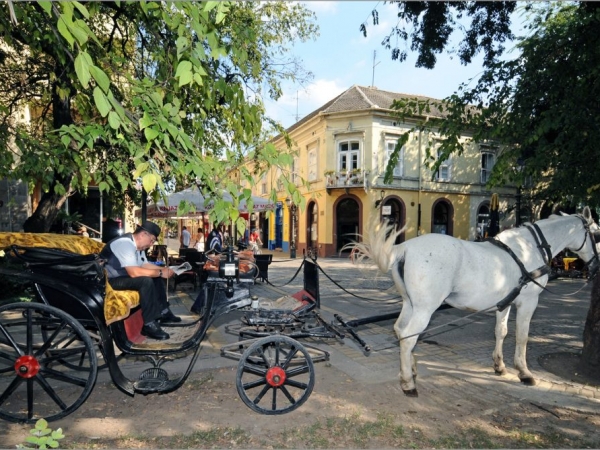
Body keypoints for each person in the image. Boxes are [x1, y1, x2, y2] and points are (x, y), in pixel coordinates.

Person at [100, 220, 181, 340]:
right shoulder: (125, 243)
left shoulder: (137, 248)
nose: (151, 244)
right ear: (143, 234)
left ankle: (164, 312)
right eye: (152, 240)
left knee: (156, 276)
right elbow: (134, 272)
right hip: (109, 280)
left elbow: (144, 265)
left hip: (122, 278)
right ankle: (149, 324)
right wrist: (159, 272)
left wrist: (164, 270)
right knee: (146, 280)